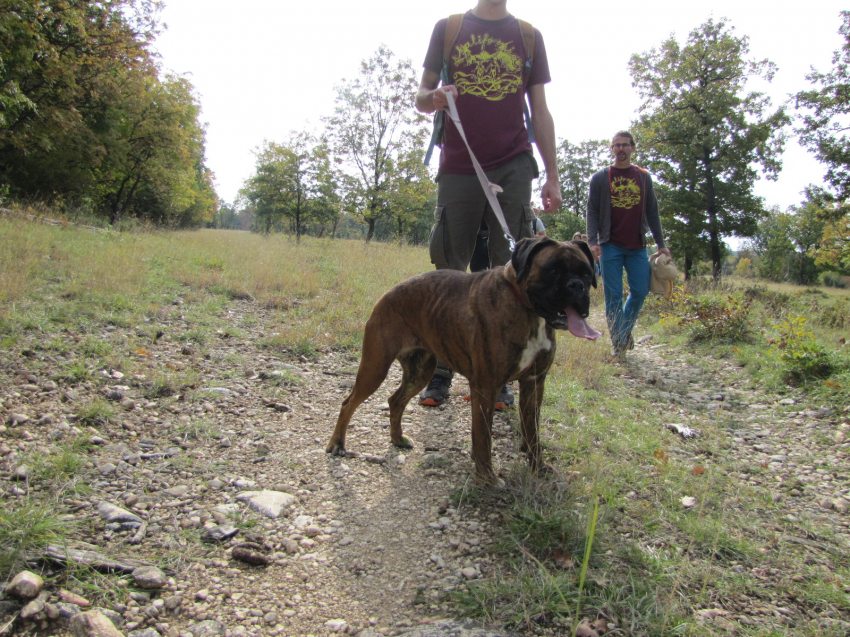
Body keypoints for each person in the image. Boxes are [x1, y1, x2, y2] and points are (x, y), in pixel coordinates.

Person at [415, 0, 562, 407]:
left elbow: (541, 111)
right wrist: (435, 99)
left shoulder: (529, 36)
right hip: (459, 163)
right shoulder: (448, 28)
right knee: (448, 269)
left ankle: (500, 376)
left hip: (514, 164)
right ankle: (440, 372)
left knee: (512, 272)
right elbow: (419, 96)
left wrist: (551, 174)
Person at [586, 131, 671, 362]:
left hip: (637, 246)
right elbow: (592, 211)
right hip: (609, 245)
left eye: (625, 145)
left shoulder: (643, 177)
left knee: (641, 290)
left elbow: (653, 212)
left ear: (633, 148)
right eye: (617, 145)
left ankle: (622, 333)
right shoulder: (601, 177)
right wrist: (592, 242)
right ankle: (619, 345)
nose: (621, 149)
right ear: (611, 149)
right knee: (613, 296)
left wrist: (661, 244)